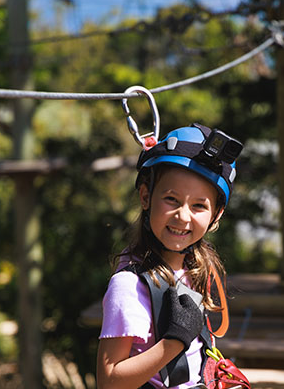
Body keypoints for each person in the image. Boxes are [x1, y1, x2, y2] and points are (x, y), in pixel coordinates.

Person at [96, 123, 243, 389]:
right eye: (171, 200)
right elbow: (109, 381)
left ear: (216, 215)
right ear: (145, 197)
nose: (183, 216)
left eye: (199, 205)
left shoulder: (194, 270)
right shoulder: (128, 286)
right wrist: (173, 342)